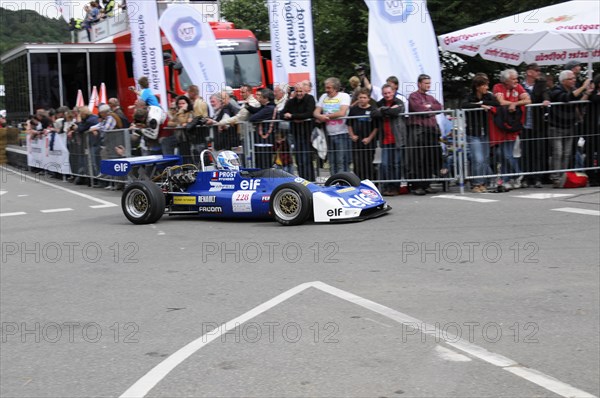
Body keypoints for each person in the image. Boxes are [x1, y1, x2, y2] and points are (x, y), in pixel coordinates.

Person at [548, 70, 593, 187]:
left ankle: (563, 176)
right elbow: (567, 98)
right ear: (563, 81)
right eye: (571, 79)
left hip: (569, 126)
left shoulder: (574, 90)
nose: (574, 80)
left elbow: (579, 103)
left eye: (574, 78)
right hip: (556, 127)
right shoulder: (556, 90)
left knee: (567, 153)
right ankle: (555, 177)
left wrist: (587, 93)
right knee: (558, 152)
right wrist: (583, 86)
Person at [492, 68, 531, 189]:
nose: (516, 81)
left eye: (516, 78)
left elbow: (528, 100)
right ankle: (510, 176)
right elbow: (500, 102)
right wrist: (513, 103)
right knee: (503, 154)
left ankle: (515, 175)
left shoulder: (518, 87)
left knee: (507, 154)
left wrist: (515, 104)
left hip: (513, 126)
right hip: (501, 126)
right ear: (506, 80)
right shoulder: (497, 87)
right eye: (513, 79)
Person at [461, 74, 500, 193]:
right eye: (484, 85)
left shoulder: (488, 96)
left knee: (485, 159)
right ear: (477, 87)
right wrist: (479, 105)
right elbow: (463, 105)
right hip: (473, 132)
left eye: (487, 85)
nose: (486, 87)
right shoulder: (470, 96)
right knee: (477, 158)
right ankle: (475, 183)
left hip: (485, 132)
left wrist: (485, 102)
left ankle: (483, 182)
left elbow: (496, 103)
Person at [408, 74, 443, 195]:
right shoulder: (413, 96)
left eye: (429, 83)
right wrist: (430, 110)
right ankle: (418, 186)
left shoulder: (430, 97)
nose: (428, 85)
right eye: (426, 83)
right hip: (419, 131)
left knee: (429, 158)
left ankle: (427, 184)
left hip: (431, 131)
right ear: (419, 84)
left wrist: (429, 107)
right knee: (419, 159)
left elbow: (439, 107)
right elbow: (419, 109)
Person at [314, 77, 352, 175]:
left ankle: (344, 182)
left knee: (341, 161)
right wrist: (320, 116)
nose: (326, 90)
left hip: (342, 133)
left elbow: (342, 112)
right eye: (326, 88)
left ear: (335, 88)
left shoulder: (344, 96)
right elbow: (316, 112)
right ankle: (333, 183)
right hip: (329, 134)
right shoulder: (323, 97)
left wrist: (325, 117)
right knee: (331, 161)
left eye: (329, 88)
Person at [521, 63, 550, 188]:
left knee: (538, 151)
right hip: (524, 124)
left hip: (537, 123)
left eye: (539, 70)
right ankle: (528, 177)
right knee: (527, 152)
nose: (539, 72)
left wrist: (545, 100)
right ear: (529, 72)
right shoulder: (520, 86)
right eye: (536, 70)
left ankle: (538, 178)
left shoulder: (541, 84)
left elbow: (545, 94)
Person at [282, 81, 316, 180]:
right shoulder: (291, 101)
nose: (299, 93)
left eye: (301, 91)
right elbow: (282, 114)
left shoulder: (310, 99)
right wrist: (294, 118)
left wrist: (292, 116)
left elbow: (309, 113)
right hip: (295, 133)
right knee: (299, 159)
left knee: (307, 159)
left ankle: (310, 180)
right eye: (297, 91)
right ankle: (302, 179)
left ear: (305, 91)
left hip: (307, 133)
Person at [348, 87, 378, 182]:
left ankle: (370, 183)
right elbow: (349, 124)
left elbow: (376, 127)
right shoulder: (353, 110)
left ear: (368, 98)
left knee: (368, 164)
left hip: (369, 142)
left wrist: (369, 138)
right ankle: (358, 183)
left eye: (364, 97)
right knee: (357, 164)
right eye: (360, 97)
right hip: (357, 142)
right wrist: (352, 135)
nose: (362, 99)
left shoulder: (373, 109)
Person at [249, 88, 276, 169]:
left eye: (260, 97)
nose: (258, 98)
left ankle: (265, 180)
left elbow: (253, 118)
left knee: (263, 164)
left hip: (264, 141)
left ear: (266, 98)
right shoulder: (267, 107)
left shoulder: (269, 108)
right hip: (264, 140)